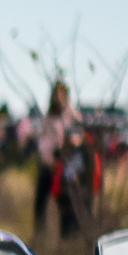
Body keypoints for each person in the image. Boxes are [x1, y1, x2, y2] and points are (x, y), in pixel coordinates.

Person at [33, 80, 77, 235]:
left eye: (61, 94)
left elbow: (76, 136)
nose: (57, 98)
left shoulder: (70, 116)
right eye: (55, 94)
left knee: (65, 206)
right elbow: (43, 141)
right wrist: (48, 160)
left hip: (63, 167)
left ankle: (67, 241)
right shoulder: (49, 117)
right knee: (40, 206)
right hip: (48, 166)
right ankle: (39, 237)